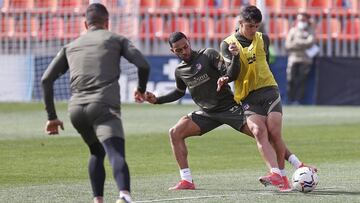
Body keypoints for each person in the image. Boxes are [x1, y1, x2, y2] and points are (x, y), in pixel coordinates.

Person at [41, 3, 150, 203]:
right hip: (103, 106)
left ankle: (97, 199)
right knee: (115, 151)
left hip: (76, 111)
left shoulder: (70, 46)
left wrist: (52, 117)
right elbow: (143, 64)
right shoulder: (116, 39)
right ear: (107, 22)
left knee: (96, 151)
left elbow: (46, 80)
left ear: (85, 24)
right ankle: (124, 196)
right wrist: (141, 90)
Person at [218, 5, 316, 192]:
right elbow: (233, 73)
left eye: (257, 26)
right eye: (250, 26)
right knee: (258, 131)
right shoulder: (227, 44)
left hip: (269, 90)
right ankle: (279, 174)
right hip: (248, 95)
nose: (254, 30)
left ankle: (280, 176)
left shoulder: (264, 39)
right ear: (240, 23)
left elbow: (264, 62)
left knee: (274, 133)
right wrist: (234, 60)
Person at [145, 31, 249, 190]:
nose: (184, 51)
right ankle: (186, 180)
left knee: (262, 134)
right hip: (207, 113)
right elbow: (179, 93)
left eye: (185, 46)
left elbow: (230, 73)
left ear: (189, 42)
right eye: (179, 50)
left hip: (229, 107)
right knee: (175, 132)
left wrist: (235, 57)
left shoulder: (208, 55)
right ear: (173, 51)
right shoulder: (180, 71)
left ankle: (294, 165)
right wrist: (157, 100)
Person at [285, 11, 316, 105]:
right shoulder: (293, 30)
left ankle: (298, 101)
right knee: (290, 79)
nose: (301, 21)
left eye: (303, 19)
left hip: (305, 60)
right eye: (299, 19)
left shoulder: (311, 30)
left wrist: (296, 42)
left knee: (302, 81)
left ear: (307, 20)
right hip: (293, 59)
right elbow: (287, 45)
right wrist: (303, 43)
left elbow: (310, 43)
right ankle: (290, 100)